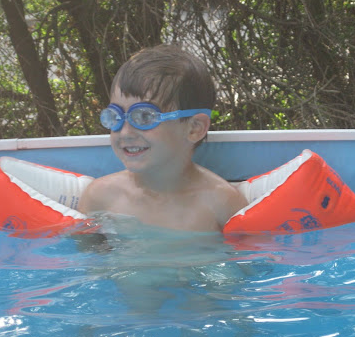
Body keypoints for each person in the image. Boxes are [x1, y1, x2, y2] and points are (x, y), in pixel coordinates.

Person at [79, 44, 248, 232]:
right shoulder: (100, 197)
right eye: (115, 116)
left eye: (144, 117)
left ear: (194, 128)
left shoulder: (222, 204)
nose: (125, 133)